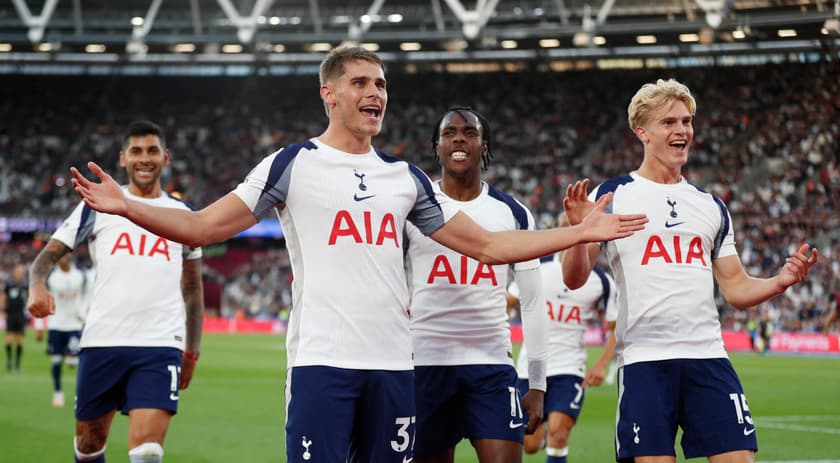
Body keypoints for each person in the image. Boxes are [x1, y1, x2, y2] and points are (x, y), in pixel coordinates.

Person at [66, 46, 647, 463]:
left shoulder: (405, 178)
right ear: (330, 94)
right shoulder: (291, 165)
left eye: (381, 85)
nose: (375, 93)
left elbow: (491, 245)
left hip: (395, 370)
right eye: (362, 83)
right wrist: (126, 207)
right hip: (323, 365)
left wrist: (577, 233)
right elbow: (199, 226)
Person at [560, 78, 818, 463]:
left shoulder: (710, 205)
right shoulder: (612, 196)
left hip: (708, 357)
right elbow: (574, 278)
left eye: (687, 121)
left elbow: (735, 288)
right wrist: (580, 233)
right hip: (646, 360)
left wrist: (779, 282)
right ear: (642, 131)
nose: (682, 130)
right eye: (669, 123)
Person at [27, 120, 205, 463]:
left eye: (152, 150)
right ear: (123, 158)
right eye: (136, 151)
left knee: (147, 452)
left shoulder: (183, 215)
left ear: (165, 157)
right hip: (101, 342)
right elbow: (44, 259)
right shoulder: (96, 205)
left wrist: (192, 352)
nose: (145, 158)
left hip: (160, 344)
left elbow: (193, 289)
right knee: (89, 446)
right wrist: (36, 285)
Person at [404, 107, 547, 463]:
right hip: (425, 365)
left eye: (469, 132)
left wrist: (538, 383)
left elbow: (531, 301)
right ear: (436, 146)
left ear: (484, 145)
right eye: (449, 133)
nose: (458, 139)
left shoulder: (512, 213)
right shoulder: (410, 210)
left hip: (491, 368)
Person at [511, 219, 618, 463]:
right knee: (529, 443)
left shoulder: (602, 283)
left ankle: (555, 432)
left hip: (569, 367)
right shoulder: (537, 267)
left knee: (559, 433)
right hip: (531, 367)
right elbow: (507, 301)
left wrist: (601, 364)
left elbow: (616, 327)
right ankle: (545, 431)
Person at [44, 253, 89, 408]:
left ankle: (81, 394)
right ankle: (58, 393)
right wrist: (39, 324)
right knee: (56, 360)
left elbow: (85, 296)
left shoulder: (80, 276)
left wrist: (82, 312)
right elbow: (46, 297)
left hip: (74, 325)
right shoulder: (52, 277)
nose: (63, 256)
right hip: (56, 324)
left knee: (75, 361)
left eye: (67, 253)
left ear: (71, 255)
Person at [2, 263, 28, 372]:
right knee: (8, 340)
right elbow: (3, 297)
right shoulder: (9, 284)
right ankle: (9, 361)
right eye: (18, 271)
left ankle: (17, 365)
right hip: (11, 314)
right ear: (14, 272)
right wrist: (3, 310)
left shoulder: (25, 285)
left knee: (19, 341)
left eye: (22, 272)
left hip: (20, 315)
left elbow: (28, 299)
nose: (20, 273)